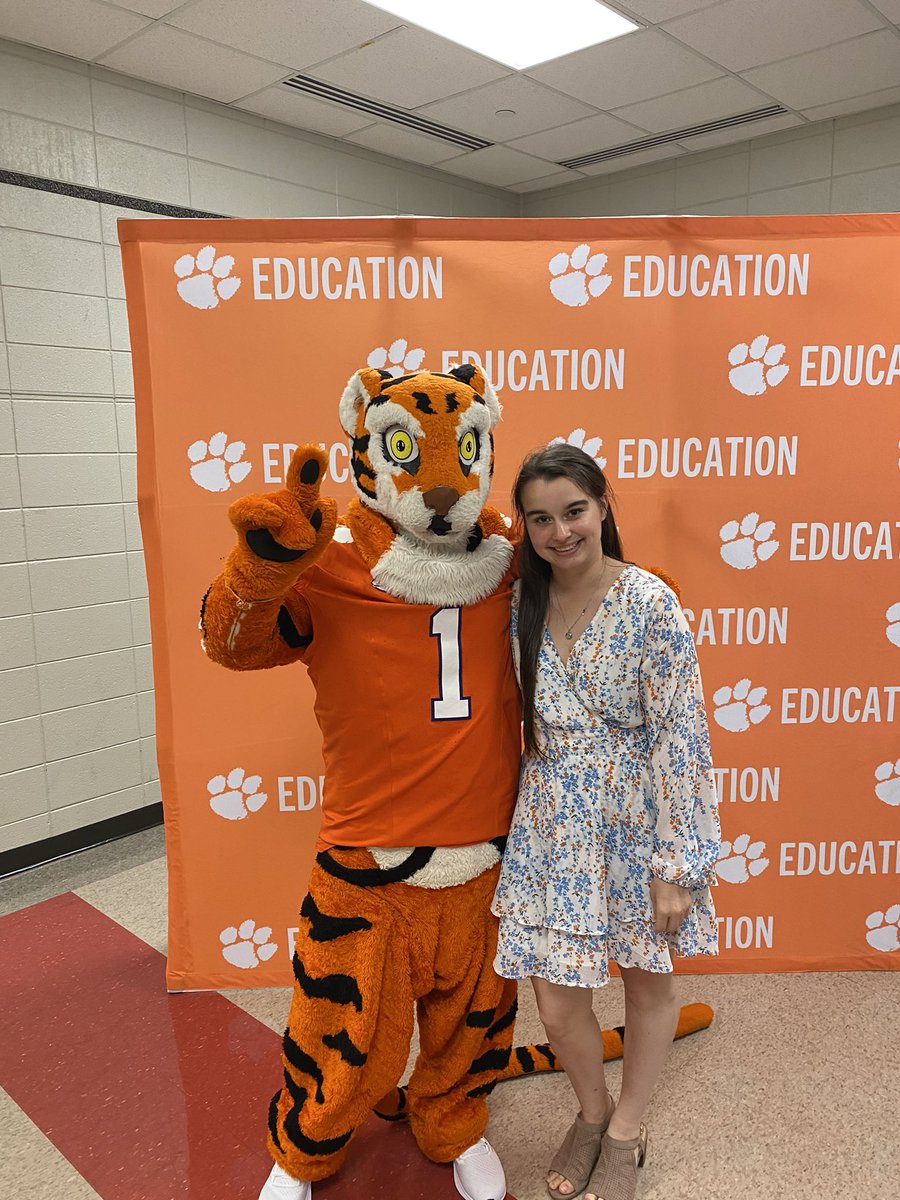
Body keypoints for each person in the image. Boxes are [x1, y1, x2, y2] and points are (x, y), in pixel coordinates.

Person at [491, 443, 721, 1200]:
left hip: (636, 826)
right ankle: (590, 1112)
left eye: (574, 511)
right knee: (557, 1005)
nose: (561, 531)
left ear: (603, 507)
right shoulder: (519, 606)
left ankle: (627, 1129)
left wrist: (677, 867)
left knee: (648, 989)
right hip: (554, 827)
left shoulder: (650, 603)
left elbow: (681, 740)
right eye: (541, 518)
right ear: (524, 527)